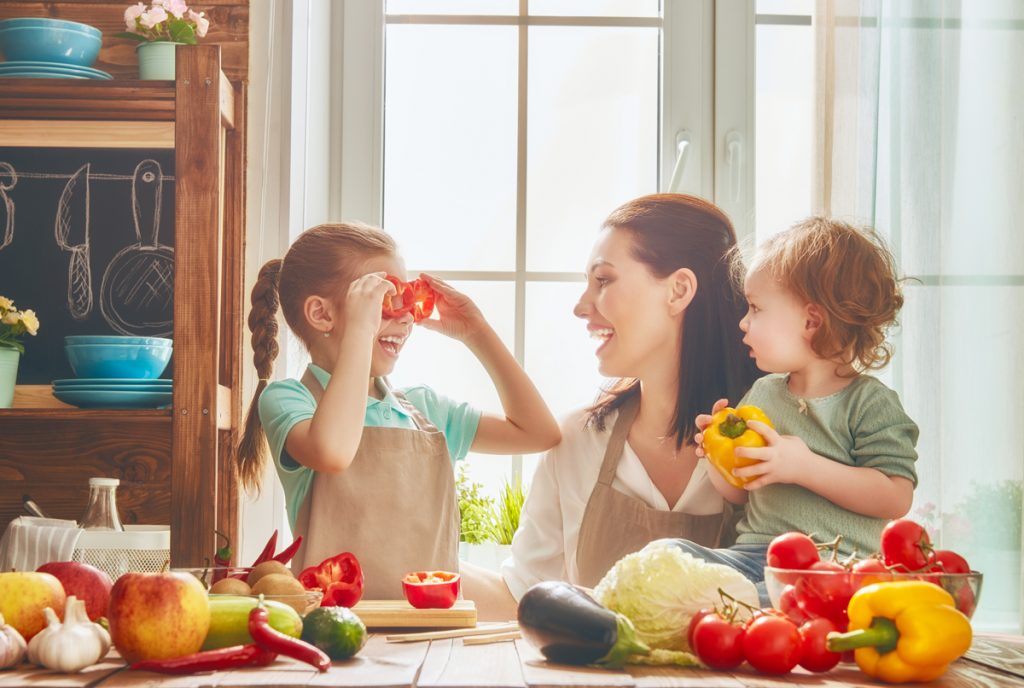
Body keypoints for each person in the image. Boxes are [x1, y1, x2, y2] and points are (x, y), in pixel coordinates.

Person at [464, 194, 761, 619]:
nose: (581, 306)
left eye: (603, 281)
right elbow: (522, 597)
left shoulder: (772, 441)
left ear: (678, 290)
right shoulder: (574, 441)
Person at [237, 223, 561, 599]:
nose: (406, 317)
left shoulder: (424, 411)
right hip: (338, 628)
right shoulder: (288, 400)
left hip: (431, 626)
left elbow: (539, 433)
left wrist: (477, 333)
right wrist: (360, 328)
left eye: (409, 299)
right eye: (385, 300)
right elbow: (333, 451)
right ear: (322, 315)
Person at [680, 216, 920, 592]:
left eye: (756, 308)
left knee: (753, 600)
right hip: (755, 556)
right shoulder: (762, 393)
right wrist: (718, 457)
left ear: (811, 321)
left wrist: (804, 467)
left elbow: (894, 497)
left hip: (836, 568)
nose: (743, 323)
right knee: (671, 553)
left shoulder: (869, 402)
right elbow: (741, 493)